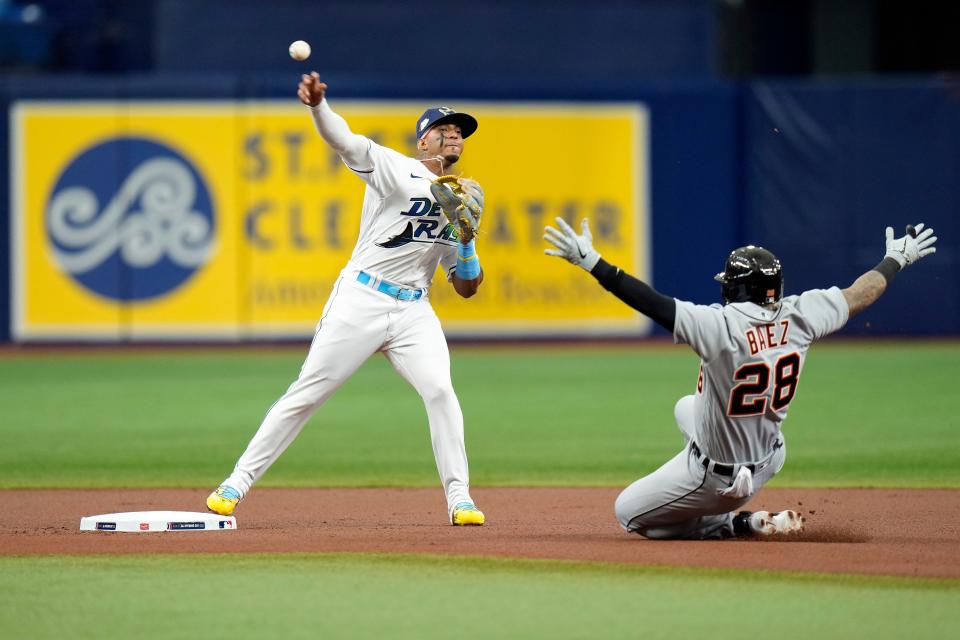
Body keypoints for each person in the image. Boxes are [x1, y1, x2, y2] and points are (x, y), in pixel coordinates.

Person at [207, 72, 487, 526]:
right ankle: (235, 483)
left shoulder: (462, 196)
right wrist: (317, 106)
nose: (454, 134)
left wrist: (468, 239)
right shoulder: (397, 169)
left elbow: (466, 286)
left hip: (414, 308)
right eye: (444, 128)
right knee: (308, 393)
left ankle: (460, 499)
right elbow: (345, 141)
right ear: (422, 142)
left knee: (439, 390)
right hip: (362, 298)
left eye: (459, 131)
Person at [544, 218, 937, 539]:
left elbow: (652, 303)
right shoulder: (802, 314)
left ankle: (729, 523)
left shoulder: (720, 326)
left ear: (734, 288)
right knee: (686, 406)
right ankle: (725, 508)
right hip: (771, 455)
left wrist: (594, 263)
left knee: (628, 514)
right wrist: (895, 260)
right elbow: (860, 294)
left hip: (722, 480)